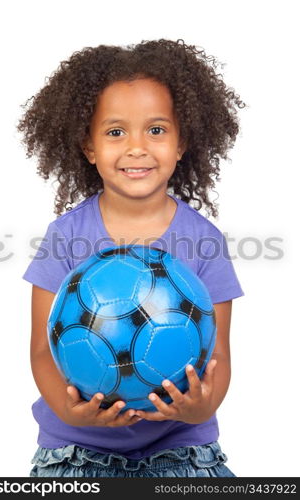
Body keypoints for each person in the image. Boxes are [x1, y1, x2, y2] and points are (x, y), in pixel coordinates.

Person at [18, 38, 246, 477]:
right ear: (89, 147)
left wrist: (200, 408)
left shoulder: (206, 241)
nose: (137, 147)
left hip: (182, 448)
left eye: (156, 130)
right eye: (116, 131)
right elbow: (42, 351)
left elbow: (218, 358)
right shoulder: (65, 236)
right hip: (76, 450)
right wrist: (71, 413)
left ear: (181, 144)